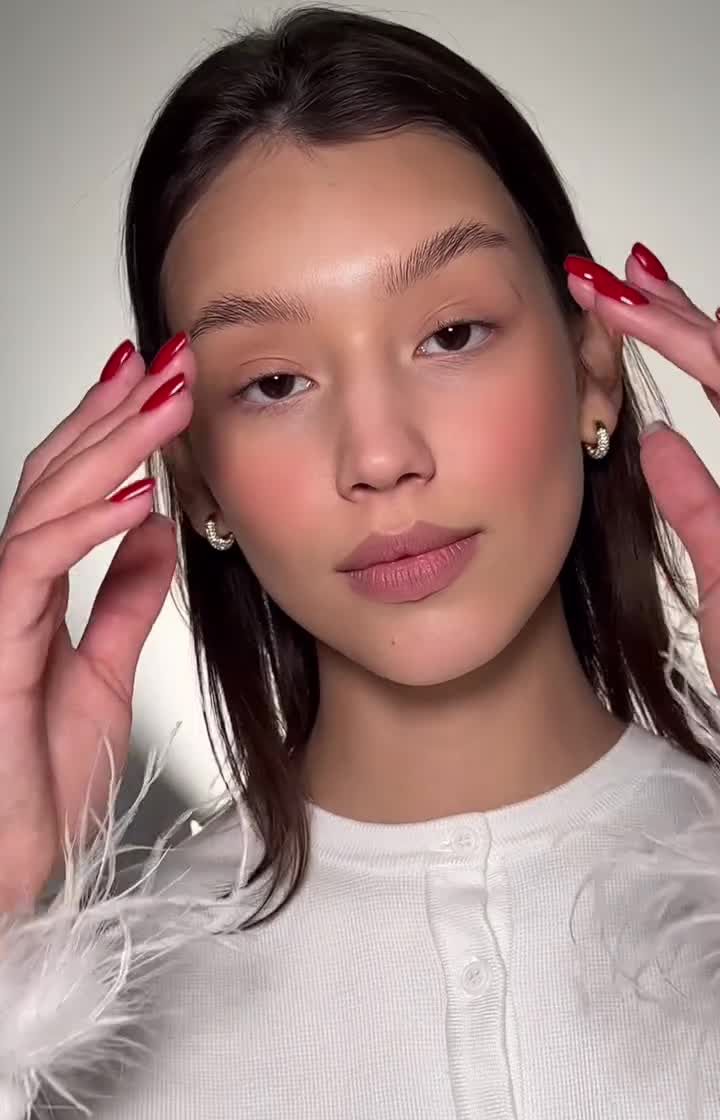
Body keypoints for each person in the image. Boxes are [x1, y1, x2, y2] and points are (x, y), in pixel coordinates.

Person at [1, 5, 720, 1118]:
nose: (381, 458)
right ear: (195, 475)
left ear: (593, 370)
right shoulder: (84, 1025)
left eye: (452, 334)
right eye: (274, 383)